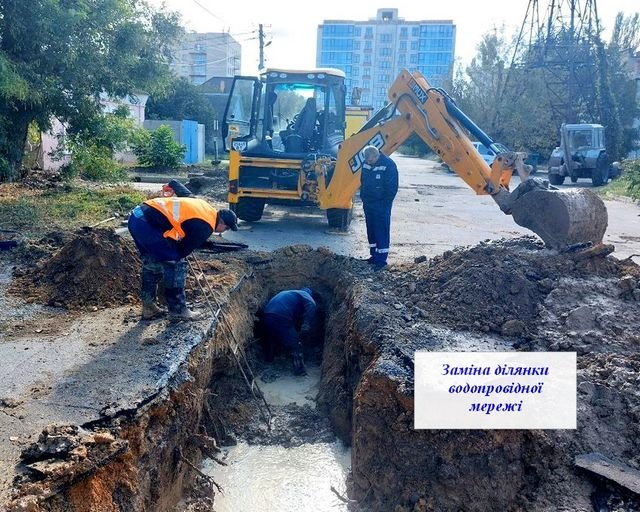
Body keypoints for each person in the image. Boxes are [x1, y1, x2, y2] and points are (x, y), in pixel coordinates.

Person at [127, 180, 238, 321]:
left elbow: (179, 187)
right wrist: (174, 253)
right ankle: (178, 310)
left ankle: (149, 307)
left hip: (137, 217)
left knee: (152, 262)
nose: (223, 232)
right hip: (149, 225)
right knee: (177, 264)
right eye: (226, 228)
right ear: (222, 222)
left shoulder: (203, 206)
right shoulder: (206, 227)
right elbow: (182, 251)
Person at [260, 288, 319, 376]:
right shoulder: (305, 294)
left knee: (272, 338)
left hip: (266, 316)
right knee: (296, 343)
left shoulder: (289, 294)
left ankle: (269, 361)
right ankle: (300, 371)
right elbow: (312, 304)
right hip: (280, 316)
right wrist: (306, 324)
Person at [360, 145, 399, 270]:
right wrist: (364, 197)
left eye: (371, 161)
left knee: (381, 229)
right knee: (371, 229)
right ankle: (374, 255)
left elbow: (392, 187)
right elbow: (363, 181)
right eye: (367, 161)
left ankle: (381, 260)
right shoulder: (366, 163)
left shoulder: (389, 165)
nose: (368, 163)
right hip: (369, 202)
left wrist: (385, 203)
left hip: (381, 204)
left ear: (377, 156)